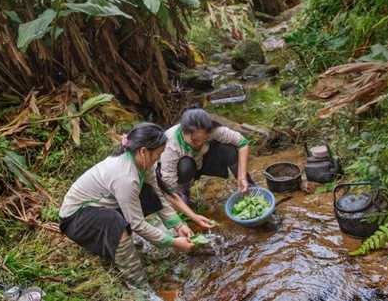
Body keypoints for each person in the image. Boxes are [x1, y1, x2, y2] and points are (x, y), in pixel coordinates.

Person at [59, 123, 195, 295]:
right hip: (75, 219)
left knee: (149, 193)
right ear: (144, 151)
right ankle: (140, 289)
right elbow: (137, 224)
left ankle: (121, 242)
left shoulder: (143, 163)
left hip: (101, 206)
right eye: (158, 154)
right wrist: (173, 242)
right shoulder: (125, 176)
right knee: (115, 224)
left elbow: (159, 195)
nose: (158, 159)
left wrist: (179, 225)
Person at [157, 108, 253, 212]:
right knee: (185, 165)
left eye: (205, 139)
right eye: (195, 141)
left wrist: (242, 177)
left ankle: (248, 186)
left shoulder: (212, 130)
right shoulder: (170, 144)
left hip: (201, 162)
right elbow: (169, 183)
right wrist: (184, 211)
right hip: (182, 171)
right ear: (184, 132)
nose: (199, 144)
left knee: (229, 149)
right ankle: (183, 195)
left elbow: (243, 143)